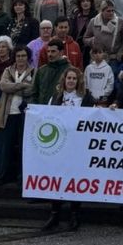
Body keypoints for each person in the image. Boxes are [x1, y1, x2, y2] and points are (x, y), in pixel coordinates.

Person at [42, 68, 93, 231]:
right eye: (68, 78)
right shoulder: (56, 98)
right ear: (64, 80)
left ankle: (74, 214)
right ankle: (55, 213)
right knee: (56, 177)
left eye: (74, 78)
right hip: (59, 144)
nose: (71, 81)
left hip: (77, 145)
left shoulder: (85, 98)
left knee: (74, 179)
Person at [0, 46, 34, 185]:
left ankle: (22, 177)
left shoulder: (34, 70)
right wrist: (22, 85)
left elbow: (32, 89)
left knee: (23, 148)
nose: (21, 58)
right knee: (6, 147)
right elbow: (3, 86)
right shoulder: (8, 70)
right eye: (18, 56)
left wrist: (14, 87)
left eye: (23, 56)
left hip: (25, 114)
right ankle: (2, 175)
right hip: (8, 113)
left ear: (27, 57)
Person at [31, 40, 72, 105]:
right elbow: (34, 93)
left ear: (61, 52)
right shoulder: (42, 70)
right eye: (48, 51)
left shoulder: (70, 70)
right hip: (41, 111)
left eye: (53, 51)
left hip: (60, 111)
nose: (50, 54)